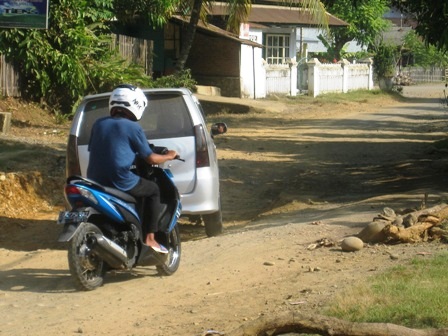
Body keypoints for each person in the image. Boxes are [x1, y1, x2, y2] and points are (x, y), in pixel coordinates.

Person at [87, 84, 178, 254]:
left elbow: (102, 150)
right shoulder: (133, 127)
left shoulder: (98, 124)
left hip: (95, 180)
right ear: (137, 105)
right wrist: (169, 156)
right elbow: (151, 158)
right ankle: (150, 239)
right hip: (120, 180)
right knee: (153, 190)